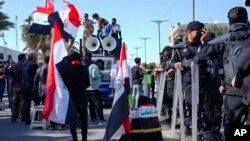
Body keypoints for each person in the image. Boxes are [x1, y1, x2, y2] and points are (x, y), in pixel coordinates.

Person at [172, 21, 215, 134]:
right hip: (190, 84)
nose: (202, 33)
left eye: (203, 31)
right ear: (189, 32)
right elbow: (170, 63)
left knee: (208, 114)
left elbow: (208, 55)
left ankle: (208, 134)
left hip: (205, 83)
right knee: (194, 112)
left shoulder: (204, 44)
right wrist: (174, 64)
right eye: (199, 31)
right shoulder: (180, 48)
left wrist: (204, 42)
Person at [213, 7, 249, 140]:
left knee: (231, 128)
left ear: (230, 22)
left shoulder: (222, 41)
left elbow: (203, 58)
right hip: (243, 90)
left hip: (233, 91)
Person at [58, 50, 90, 141]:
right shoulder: (84, 68)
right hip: (82, 96)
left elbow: (62, 83)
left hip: (70, 97)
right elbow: (87, 84)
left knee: (72, 118)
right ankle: (84, 138)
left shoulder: (66, 70)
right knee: (84, 119)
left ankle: (74, 138)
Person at [21, 51, 40, 125]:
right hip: (31, 87)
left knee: (27, 103)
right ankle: (36, 117)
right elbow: (36, 76)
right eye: (36, 57)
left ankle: (27, 119)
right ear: (33, 57)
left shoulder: (24, 63)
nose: (36, 58)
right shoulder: (34, 64)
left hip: (24, 86)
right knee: (37, 102)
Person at [86, 59, 107, 126]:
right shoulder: (95, 67)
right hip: (94, 89)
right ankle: (101, 120)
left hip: (88, 88)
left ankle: (93, 119)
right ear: (100, 63)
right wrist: (101, 76)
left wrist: (99, 73)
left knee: (91, 105)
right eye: (101, 66)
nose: (100, 68)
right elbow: (94, 75)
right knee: (98, 104)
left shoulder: (91, 66)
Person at [9, 54, 26, 122]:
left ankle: (13, 117)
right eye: (25, 58)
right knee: (23, 102)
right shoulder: (24, 66)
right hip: (23, 86)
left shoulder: (13, 67)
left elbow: (11, 79)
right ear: (22, 59)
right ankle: (23, 117)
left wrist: (10, 87)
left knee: (15, 102)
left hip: (15, 87)